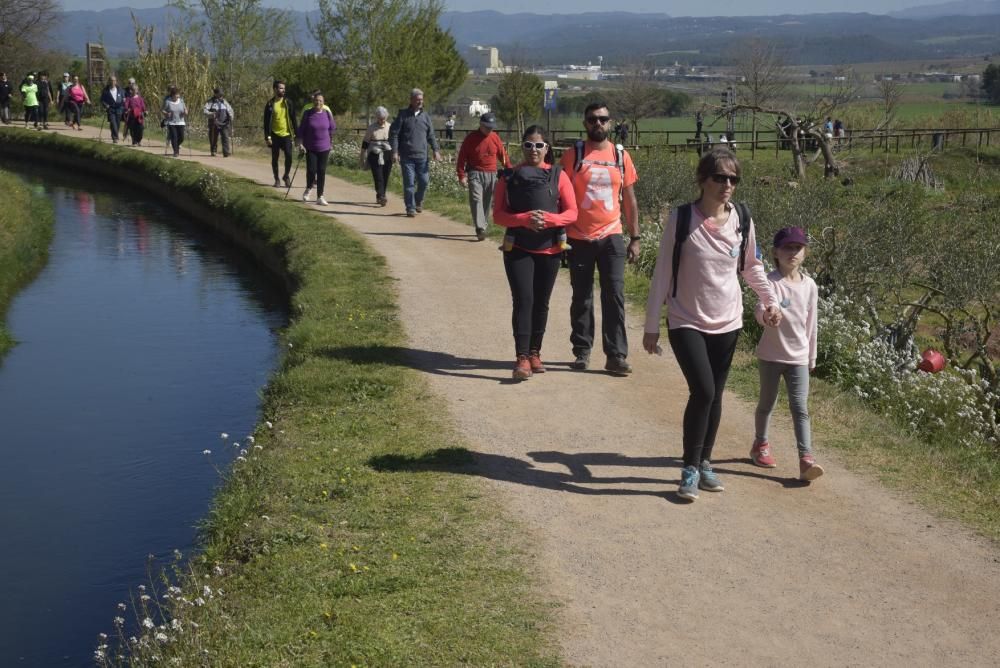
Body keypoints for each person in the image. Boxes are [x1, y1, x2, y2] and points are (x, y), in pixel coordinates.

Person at [642, 148, 781, 501]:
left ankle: (705, 461)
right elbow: (662, 271)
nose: (727, 185)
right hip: (686, 319)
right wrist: (651, 323)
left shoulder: (743, 219)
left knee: (715, 395)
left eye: (733, 178)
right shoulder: (682, 218)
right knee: (702, 390)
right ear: (703, 179)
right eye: (720, 177)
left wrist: (770, 301)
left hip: (728, 320)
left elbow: (752, 267)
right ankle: (689, 468)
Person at [559, 101, 641, 376]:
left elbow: (629, 199)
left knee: (614, 296)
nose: (598, 124)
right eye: (593, 119)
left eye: (603, 119)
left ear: (610, 122)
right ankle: (582, 352)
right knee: (581, 297)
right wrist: (559, 234)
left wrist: (635, 236)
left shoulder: (621, 156)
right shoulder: (574, 154)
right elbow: (560, 195)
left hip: (612, 236)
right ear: (585, 123)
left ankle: (616, 355)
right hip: (578, 237)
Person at [493, 125, 577, 380]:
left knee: (541, 303)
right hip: (517, 247)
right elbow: (498, 215)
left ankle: (534, 352)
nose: (534, 150)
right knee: (524, 301)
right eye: (528, 145)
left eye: (539, 145)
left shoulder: (558, 175)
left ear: (547, 148)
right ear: (522, 147)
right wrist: (524, 219)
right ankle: (521, 358)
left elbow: (572, 213)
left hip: (550, 248)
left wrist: (549, 220)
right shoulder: (508, 176)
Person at [750, 226, 824, 481]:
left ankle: (806, 459)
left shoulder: (810, 286)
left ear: (805, 253)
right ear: (775, 253)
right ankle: (760, 445)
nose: (792, 252)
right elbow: (760, 308)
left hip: (799, 358)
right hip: (771, 355)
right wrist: (766, 316)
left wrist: (811, 357)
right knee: (767, 404)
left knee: (800, 408)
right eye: (787, 248)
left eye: (798, 248)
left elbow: (811, 324)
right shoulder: (770, 282)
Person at [456, 111, 510, 241]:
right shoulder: (471, 138)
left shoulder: (495, 137)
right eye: (487, 127)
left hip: (491, 174)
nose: (489, 129)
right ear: (480, 124)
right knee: (476, 199)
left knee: (486, 202)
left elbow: (502, 155)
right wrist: (461, 175)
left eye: (491, 127)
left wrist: (510, 170)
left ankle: (483, 226)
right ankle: (480, 227)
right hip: (475, 173)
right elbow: (462, 157)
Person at [389, 88, 441, 217]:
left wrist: (436, 150)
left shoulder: (426, 117)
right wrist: (395, 151)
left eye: (421, 100)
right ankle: (410, 208)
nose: (420, 102)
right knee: (409, 183)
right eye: (417, 100)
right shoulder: (403, 115)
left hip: (422, 157)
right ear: (411, 100)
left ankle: (418, 200)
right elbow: (394, 134)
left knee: (424, 181)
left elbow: (431, 135)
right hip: (407, 157)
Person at [296, 91, 336, 206]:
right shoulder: (308, 114)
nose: (318, 102)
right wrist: (300, 144)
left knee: (322, 171)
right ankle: (308, 189)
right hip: (310, 147)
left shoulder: (327, 114)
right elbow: (301, 130)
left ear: (323, 103)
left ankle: (320, 196)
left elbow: (331, 129)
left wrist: (331, 142)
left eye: (320, 101)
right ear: (313, 101)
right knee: (312, 170)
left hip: (325, 147)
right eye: (316, 100)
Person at [263, 80, 298, 188]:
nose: (283, 90)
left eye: (284, 88)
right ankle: (277, 179)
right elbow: (266, 122)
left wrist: (297, 135)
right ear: (275, 89)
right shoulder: (270, 104)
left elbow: (294, 119)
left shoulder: (288, 103)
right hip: (274, 135)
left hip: (286, 134)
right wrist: (267, 137)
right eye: (281, 88)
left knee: (289, 156)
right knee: (275, 158)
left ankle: (286, 176)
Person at [360, 106, 393, 206]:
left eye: (384, 118)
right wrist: (362, 156)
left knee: (385, 175)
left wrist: (397, 153)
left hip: (387, 153)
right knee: (378, 176)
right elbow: (365, 142)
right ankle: (382, 196)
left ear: (386, 117)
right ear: (376, 117)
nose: (382, 120)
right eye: (380, 118)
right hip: (375, 154)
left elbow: (395, 141)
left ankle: (380, 195)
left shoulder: (390, 127)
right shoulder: (371, 128)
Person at [203, 87, 234, 157]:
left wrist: (231, 116)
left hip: (224, 122)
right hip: (214, 123)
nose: (221, 95)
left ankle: (226, 152)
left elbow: (230, 110)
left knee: (225, 137)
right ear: (215, 94)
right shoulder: (210, 102)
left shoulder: (225, 102)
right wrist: (211, 114)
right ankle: (213, 150)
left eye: (221, 94)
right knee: (213, 137)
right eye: (219, 94)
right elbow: (205, 111)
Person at [161, 86, 187, 157]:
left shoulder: (181, 100)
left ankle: (176, 146)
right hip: (171, 122)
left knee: (181, 137)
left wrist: (185, 112)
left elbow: (185, 109)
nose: (178, 96)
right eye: (177, 94)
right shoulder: (168, 101)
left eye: (178, 94)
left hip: (181, 122)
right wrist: (166, 113)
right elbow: (163, 110)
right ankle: (176, 151)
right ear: (173, 95)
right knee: (174, 137)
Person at [100, 75, 125, 143]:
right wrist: (106, 105)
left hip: (119, 109)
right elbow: (102, 100)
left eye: (114, 80)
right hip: (111, 109)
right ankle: (115, 137)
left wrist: (123, 105)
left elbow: (124, 99)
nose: (112, 82)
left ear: (116, 81)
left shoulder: (120, 90)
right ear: (109, 81)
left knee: (117, 123)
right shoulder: (106, 90)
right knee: (113, 123)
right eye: (111, 80)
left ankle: (114, 134)